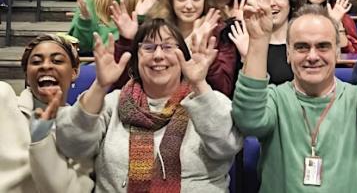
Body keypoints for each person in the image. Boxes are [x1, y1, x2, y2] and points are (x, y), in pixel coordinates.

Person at [232, 0, 357, 193]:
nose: (312, 56)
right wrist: (258, 41)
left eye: (323, 46)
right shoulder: (275, 99)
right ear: (288, 53)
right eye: (302, 47)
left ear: (337, 52)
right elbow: (248, 121)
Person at [56, 19, 243, 192]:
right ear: (136, 59)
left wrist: (199, 84)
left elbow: (226, 146)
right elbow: (72, 147)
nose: (158, 55)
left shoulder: (208, 101)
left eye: (168, 47)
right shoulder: (112, 104)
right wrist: (100, 85)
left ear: (183, 57)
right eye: (148, 47)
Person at [0, 35, 94, 193]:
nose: (45, 66)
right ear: (27, 75)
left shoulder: (82, 130)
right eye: (36, 62)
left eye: (57, 61)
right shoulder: (4, 100)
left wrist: (41, 140)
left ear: (74, 72)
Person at [140, 0, 239, 96]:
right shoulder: (157, 29)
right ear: (171, 0)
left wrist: (203, 46)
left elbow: (223, 89)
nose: (189, 5)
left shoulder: (221, 32)